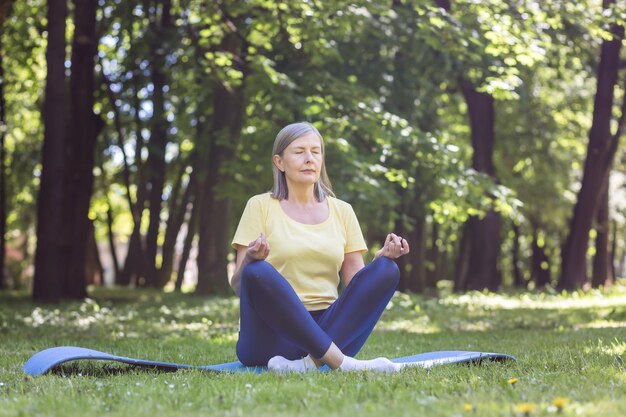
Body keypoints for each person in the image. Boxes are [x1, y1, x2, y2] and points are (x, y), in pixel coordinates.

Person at [230, 122, 410, 373]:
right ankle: (342, 363)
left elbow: (356, 283)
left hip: (333, 329)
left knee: (386, 270)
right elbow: (240, 285)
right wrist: (250, 258)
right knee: (256, 270)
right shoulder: (259, 206)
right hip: (270, 338)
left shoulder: (342, 211)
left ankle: (309, 364)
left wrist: (381, 258)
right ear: (279, 162)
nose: (309, 159)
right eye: (299, 151)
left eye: (315, 151)